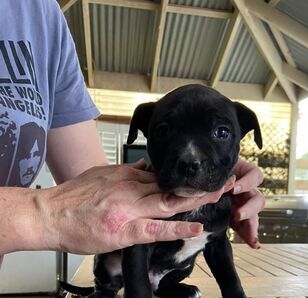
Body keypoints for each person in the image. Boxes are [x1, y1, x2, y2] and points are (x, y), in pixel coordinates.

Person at [0, 0, 265, 264]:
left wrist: (218, 162)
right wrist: (44, 213)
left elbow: (91, 186)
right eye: (163, 130)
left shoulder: (42, 13)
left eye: (221, 132)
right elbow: (71, 205)